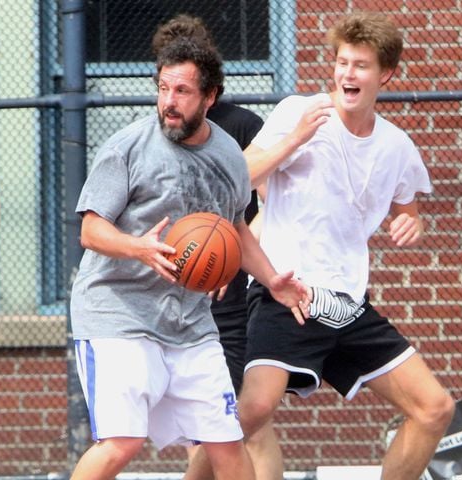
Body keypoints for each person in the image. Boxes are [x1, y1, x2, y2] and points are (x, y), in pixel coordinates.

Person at [192, 12, 456, 480]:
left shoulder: (397, 147)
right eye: (341, 63)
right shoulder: (300, 112)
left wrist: (409, 224)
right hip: (287, 291)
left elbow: (407, 208)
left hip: (346, 303)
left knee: (435, 409)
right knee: (250, 413)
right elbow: (241, 177)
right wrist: (295, 140)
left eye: (361, 66)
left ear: (386, 75)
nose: (347, 74)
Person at [68, 27, 310, 480]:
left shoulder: (229, 157)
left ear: (210, 96)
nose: (169, 102)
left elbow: (233, 227)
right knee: (122, 443)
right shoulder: (127, 148)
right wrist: (137, 247)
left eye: (182, 91)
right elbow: (91, 230)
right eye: (163, 88)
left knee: (227, 443)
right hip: (117, 312)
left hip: (189, 323)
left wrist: (272, 278)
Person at [150, 14, 286, 480]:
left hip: (230, 292)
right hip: (175, 295)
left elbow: (273, 206)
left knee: (239, 421)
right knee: (208, 425)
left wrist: (230, 259)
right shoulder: (157, 133)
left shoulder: (244, 127)